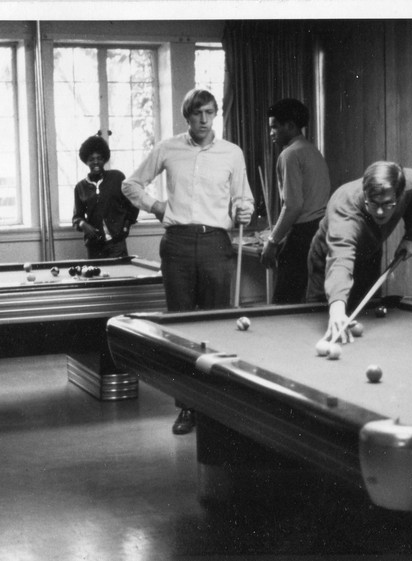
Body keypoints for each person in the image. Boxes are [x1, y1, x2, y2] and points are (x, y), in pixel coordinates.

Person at [122, 88, 254, 435]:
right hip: (177, 244)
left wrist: (245, 209)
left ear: (216, 115)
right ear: (188, 116)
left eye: (210, 112)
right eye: (198, 113)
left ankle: (216, 408)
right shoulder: (168, 148)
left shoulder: (232, 153)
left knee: (215, 326)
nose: (204, 119)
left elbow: (245, 199)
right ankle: (187, 408)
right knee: (182, 330)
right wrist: (157, 207)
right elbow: (130, 185)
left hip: (216, 243)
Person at [306, 161, 412, 343]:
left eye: (387, 204)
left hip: (369, 254)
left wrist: (410, 236)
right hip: (328, 261)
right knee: (322, 313)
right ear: (365, 192)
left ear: (399, 196)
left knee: (366, 310)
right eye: (373, 203)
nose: (379, 211)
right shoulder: (345, 207)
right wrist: (337, 309)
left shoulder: (410, 183)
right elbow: (340, 259)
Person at [259, 98, 331, 303]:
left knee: (284, 302)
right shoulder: (312, 150)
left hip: (302, 235)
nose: (271, 132)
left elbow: (293, 206)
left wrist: (272, 242)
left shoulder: (289, 154)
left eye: (275, 127)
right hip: (321, 230)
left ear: (290, 126)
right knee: (307, 300)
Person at [72, 135, 139, 259]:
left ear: (105, 159)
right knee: (98, 277)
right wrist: (83, 224)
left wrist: (125, 227)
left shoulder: (117, 177)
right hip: (94, 245)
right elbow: (76, 217)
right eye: (91, 159)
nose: (96, 162)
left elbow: (133, 204)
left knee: (120, 276)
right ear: (86, 161)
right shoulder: (80, 187)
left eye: (99, 158)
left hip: (117, 243)